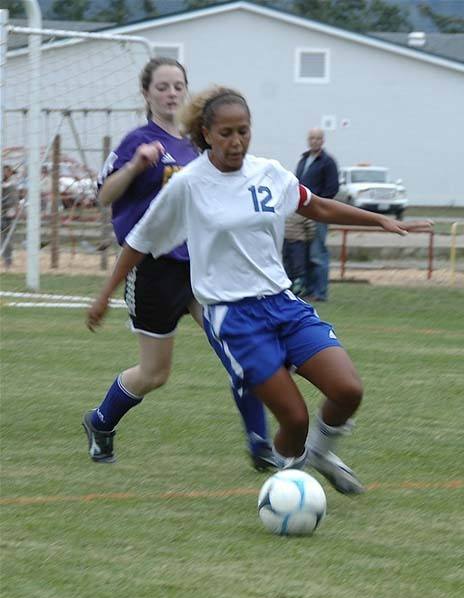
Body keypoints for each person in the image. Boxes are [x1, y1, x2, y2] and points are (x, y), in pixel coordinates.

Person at [86, 86, 432, 495]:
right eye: (227, 133)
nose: (236, 142)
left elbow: (316, 205)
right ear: (206, 135)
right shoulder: (188, 185)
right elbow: (139, 242)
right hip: (234, 317)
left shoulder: (268, 172)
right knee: (295, 419)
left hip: (283, 305)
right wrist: (105, 294)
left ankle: (319, 453)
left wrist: (380, 222)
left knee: (348, 390)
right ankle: (292, 486)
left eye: (244, 132)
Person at [83, 60, 274, 471]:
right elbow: (103, 196)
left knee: (240, 351)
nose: (171, 93)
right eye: (162, 87)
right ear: (147, 93)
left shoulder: (198, 144)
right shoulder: (137, 140)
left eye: (178, 86)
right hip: (152, 269)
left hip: (203, 268)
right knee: (154, 374)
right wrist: (136, 165)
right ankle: (100, 421)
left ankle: (260, 445)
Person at [295, 128, 339, 301]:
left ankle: (320, 292)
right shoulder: (304, 159)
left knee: (317, 253)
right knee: (304, 253)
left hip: (318, 214)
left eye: (318, 138)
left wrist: (319, 205)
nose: (314, 141)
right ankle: (308, 289)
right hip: (301, 213)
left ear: (323, 141)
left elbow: (332, 188)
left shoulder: (327, 162)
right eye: (311, 138)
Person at [1, 165, 19, 269]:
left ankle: (8, 260)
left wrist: (14, 210)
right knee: (3, 238)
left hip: (9, 214)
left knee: (8, 238)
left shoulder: (12, 185)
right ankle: (5, 259)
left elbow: (14, 200)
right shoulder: (2, 184)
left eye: (7, 171)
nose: (5, 173)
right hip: (3, 213)